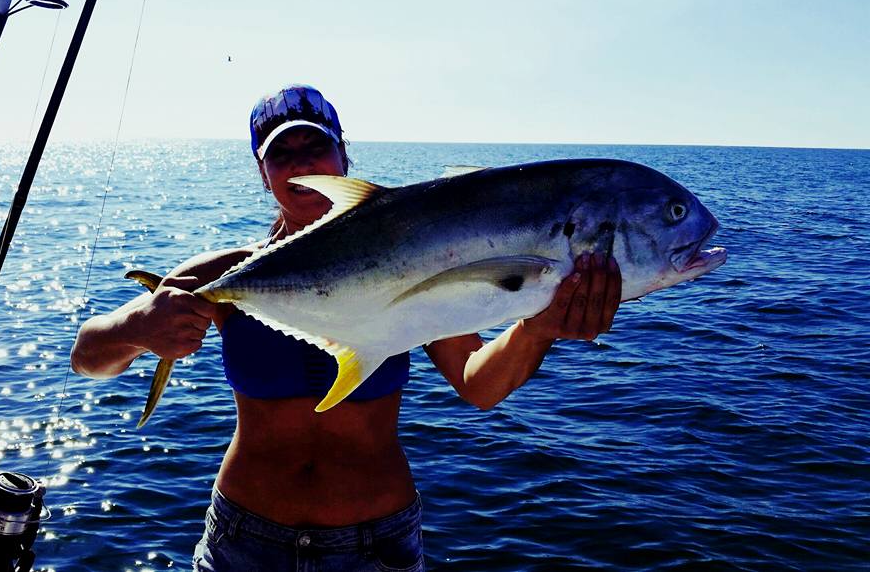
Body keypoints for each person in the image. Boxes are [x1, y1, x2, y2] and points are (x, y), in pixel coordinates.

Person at [70, 84, 622, 571]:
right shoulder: (224, 275)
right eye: (279, 154)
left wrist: (536, 329)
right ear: (263, 175)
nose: (299, 164)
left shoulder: (417, 256)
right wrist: (134, 326)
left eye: (315, 147)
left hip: (372, 545)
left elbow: (478, 385)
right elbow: (88, 359)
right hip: (245, 540)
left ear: (343, 157)